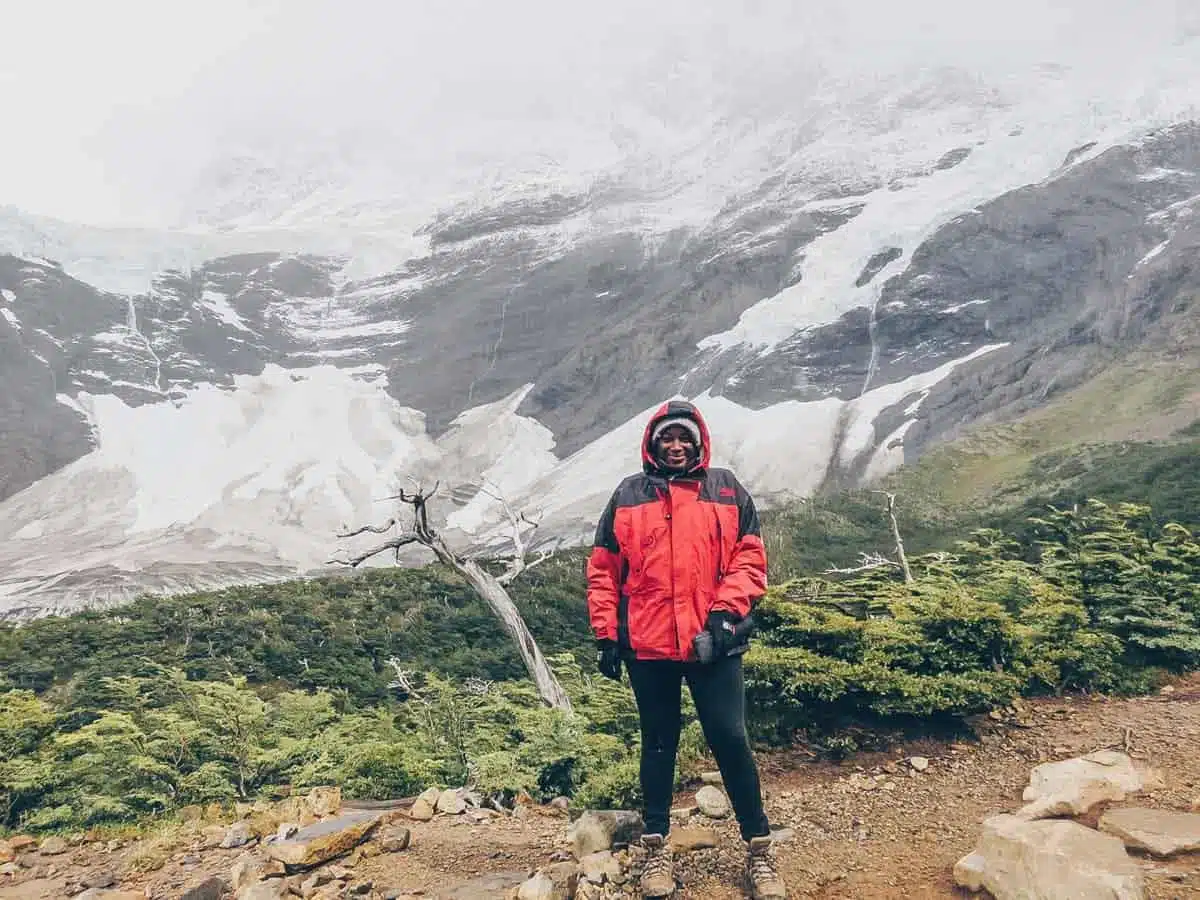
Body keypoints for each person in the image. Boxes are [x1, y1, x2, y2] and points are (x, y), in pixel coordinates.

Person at [585, 399, 786, 899]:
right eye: (666, 439)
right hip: (648, 647)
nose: (675, 447)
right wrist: (607, 634)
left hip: (712, 645)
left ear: (699, 443)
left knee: (729, 739)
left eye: (684, 439)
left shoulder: (726, 489)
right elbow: (604, 571)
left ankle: (759, 848)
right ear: (652, 444)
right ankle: (655, 847)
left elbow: (750, 562)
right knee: (658, 743)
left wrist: (723, 616)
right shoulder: (628, 496)